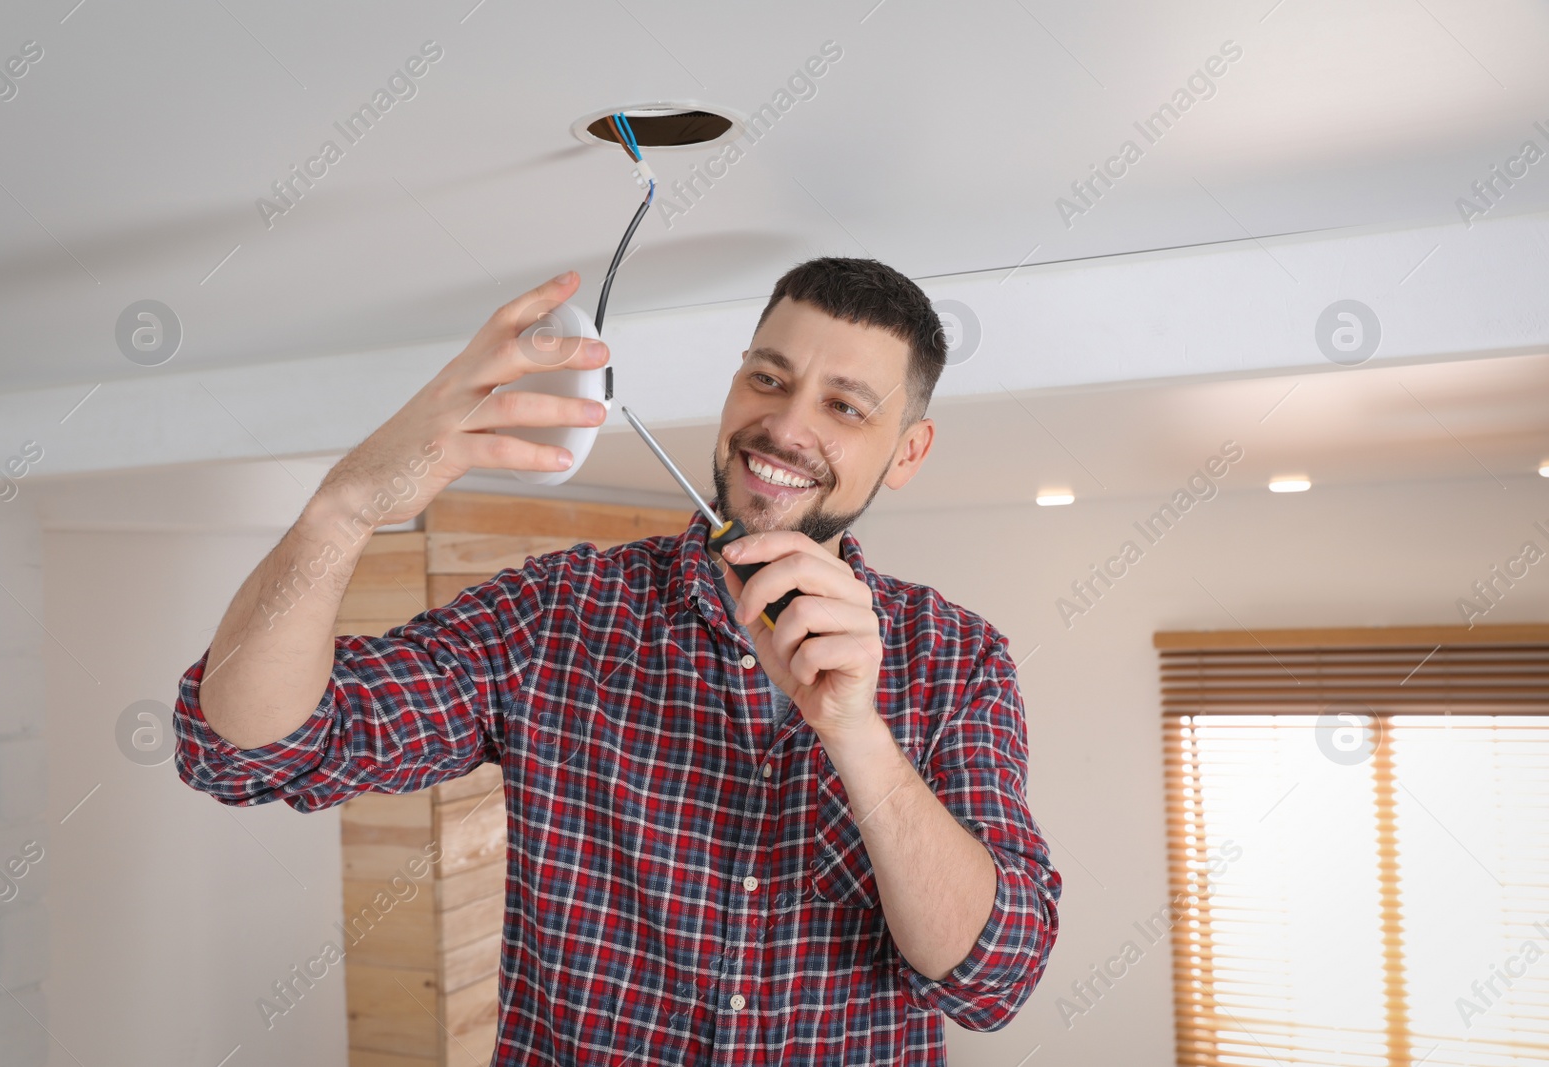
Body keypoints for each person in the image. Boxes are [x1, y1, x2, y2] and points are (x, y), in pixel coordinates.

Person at [172, 256, 1061, 1064]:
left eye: (843, 405)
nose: (784, 425)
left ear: (908, 450)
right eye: (767, 377)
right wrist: (345, 507)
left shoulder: (957, 657)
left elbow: (993, 980)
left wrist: (857, 734)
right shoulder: (563, 611)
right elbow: (248, 747)